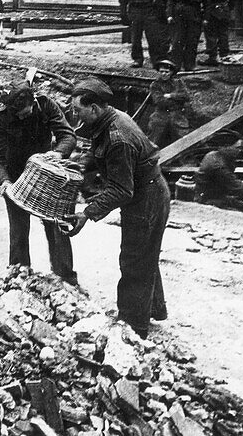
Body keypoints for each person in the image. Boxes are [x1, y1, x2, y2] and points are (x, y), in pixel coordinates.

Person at [64, 78, 169, 339]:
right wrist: (83, 164)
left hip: (147, 196)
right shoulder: (108, 119)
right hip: (147, 189)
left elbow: (122, 190)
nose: (74, 115)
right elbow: (99, 151)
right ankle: (153, 309)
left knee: (135, 258)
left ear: (95, 108)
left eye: (78, 110)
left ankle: (133, 326)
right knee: (146, 252)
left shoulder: (118, 136)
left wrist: (87, 213)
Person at [0, 83, 80, 286]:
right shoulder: (2, 116)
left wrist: (58, 153)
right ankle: (19, 275)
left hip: (47, 173)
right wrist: (4, 182)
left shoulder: (47, 106)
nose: (21, 117)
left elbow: (67, 135)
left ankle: (65, 277)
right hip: (16, 176)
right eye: (17, 114)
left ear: (33, 103)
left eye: (25, 113)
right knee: (18, 228)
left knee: (56, 224)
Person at [166, 0, 211, 72]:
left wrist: (206, 18)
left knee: (192, 40)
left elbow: (207, 2)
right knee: (178, 40)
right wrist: (169, 15)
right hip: (179, 13)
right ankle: (175, 64)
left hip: (195, 13)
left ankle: (189, 64)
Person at [120, 0, 164, 69]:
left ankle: (156, 60)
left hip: (149, 12)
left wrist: (158, 11)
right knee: (136, 39)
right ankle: (137, 60)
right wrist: (124, 16)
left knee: (153, 38)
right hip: (135, 13)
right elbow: (123, 2)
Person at [145, 61, 190, 148]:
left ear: (171, 72)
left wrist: (170, 95)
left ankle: (184, 159)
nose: (164, 74)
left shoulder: (178, 83)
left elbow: (186, 96)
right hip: (161, 114)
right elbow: (159, 101)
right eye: (161, 71)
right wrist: (177, 100)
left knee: (184, 139)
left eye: (166, 72)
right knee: (153, 138)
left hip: (177, 115)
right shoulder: (155, 85)